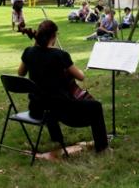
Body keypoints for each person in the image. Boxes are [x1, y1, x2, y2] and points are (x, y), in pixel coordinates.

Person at [18, 20, 109, 152]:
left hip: (37, 107)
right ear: (54, 36)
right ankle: (102, 147)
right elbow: (81, 77)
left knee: (47, 96)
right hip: (61, 109)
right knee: (96, 106)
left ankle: (56, 138)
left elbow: (21, 73)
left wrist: (35, 45)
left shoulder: (28, 52)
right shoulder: (60, 55)